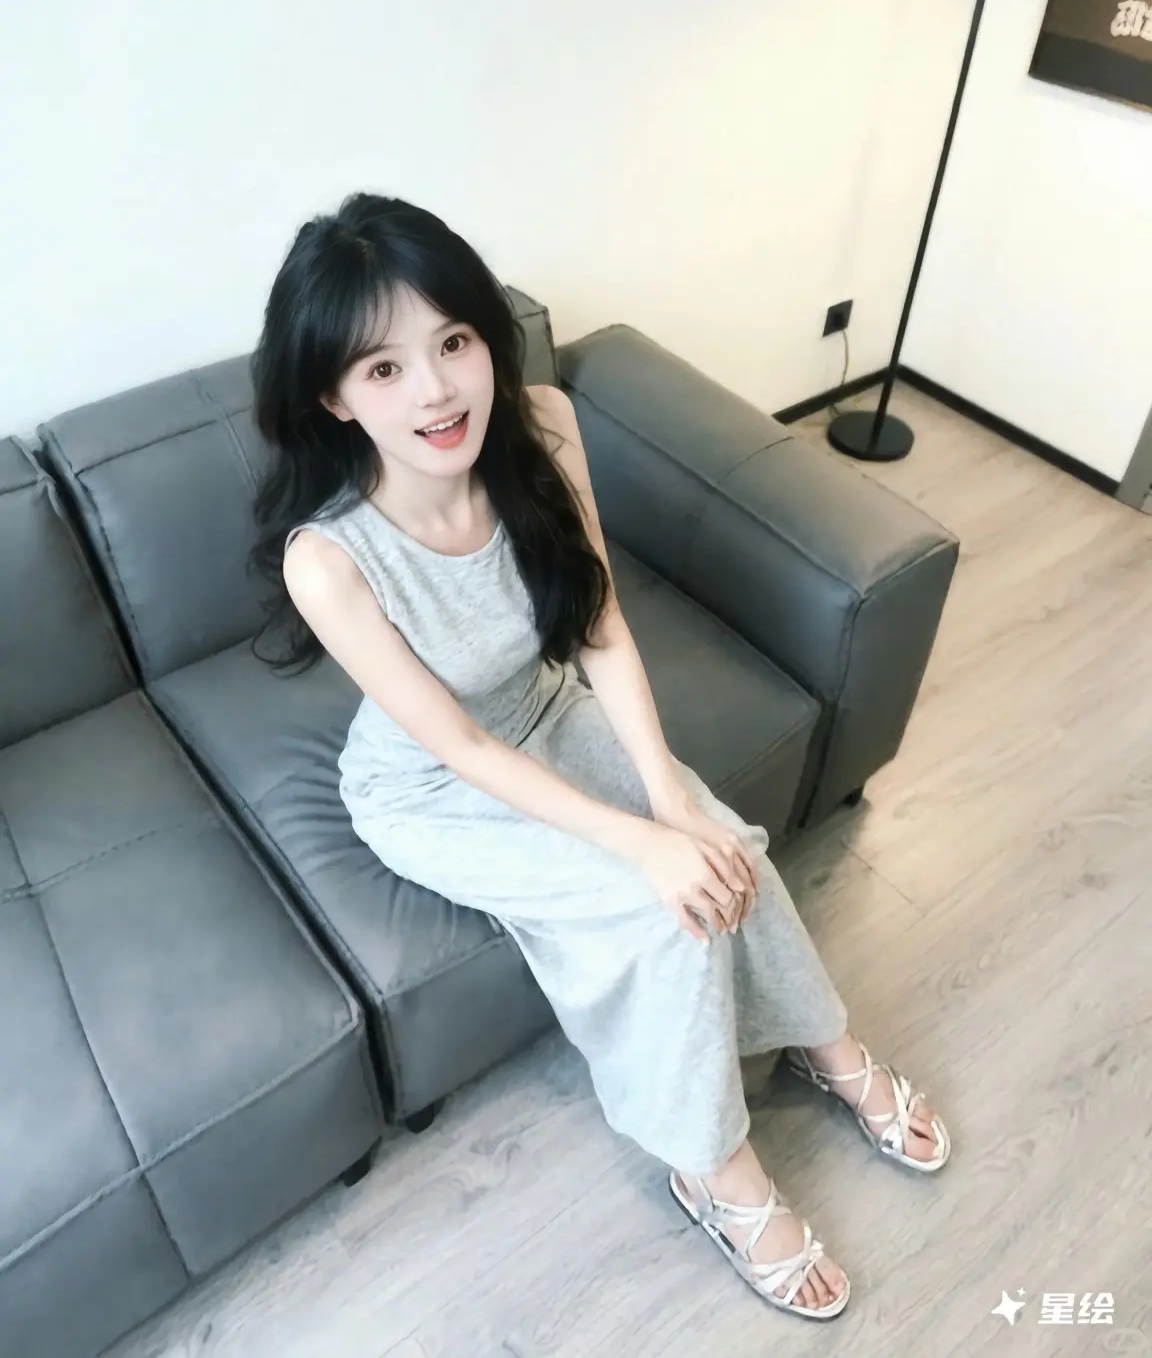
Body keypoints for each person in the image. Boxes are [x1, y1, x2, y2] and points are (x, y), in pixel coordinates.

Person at [249, 192, 951, 1323]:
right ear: (334, 396)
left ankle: (823, 1041)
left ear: (488, 337)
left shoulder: (546, 426)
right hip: (432, 787)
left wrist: (673, 802)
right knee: (656, 911)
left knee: (720, 843)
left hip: (546, 702)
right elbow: (460, 743)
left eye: (453, 342)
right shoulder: (328, 560)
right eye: (383, 369)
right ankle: (714, 1170)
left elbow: (600, 626)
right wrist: (640, 845)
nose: (434, 390)